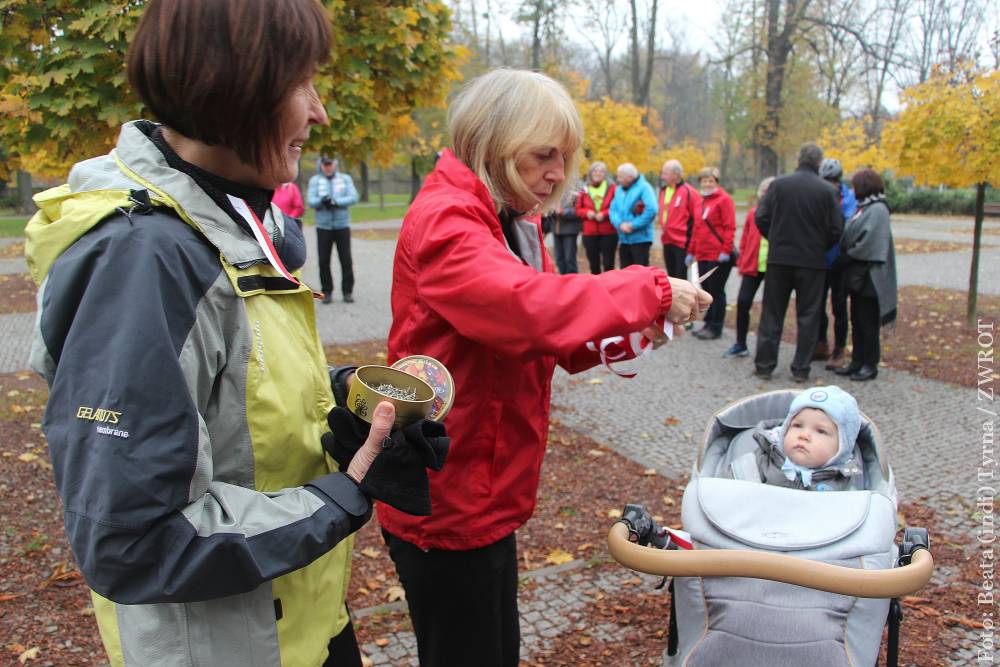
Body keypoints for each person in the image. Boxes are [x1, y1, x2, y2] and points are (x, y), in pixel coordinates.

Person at [22, 1, 434, 665]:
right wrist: (343, 495)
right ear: (237, 86)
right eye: (301, 83)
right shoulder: (147, 260)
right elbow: (133, 538)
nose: (320, 111)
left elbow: (231, 397)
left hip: (303, 625)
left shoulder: (232, 220)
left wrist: (356, 410)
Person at [382, 68, 712, 667]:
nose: (558, 174)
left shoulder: (507, 219)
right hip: (449, 495)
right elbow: (524, 310)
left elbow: (554, 337)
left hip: (479, 488)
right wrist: (650, 289)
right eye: (544, 156)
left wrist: (645, 330)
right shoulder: (448, 221)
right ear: (494, 142)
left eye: (563, 157)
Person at [753, 143, 844, 382]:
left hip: (779, 258)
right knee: (809, 315)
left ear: (798, 160)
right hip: (812, 261)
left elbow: (760, 217)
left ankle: (764, 364)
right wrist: (818, 246)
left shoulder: (779, 185)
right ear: (818, 163)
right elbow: (837, 228)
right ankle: (801, 368)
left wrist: (774, 239)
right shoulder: (827, 191)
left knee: (772, 313)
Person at [725, 386, 864, 492]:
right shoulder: (764, 460)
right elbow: (724, 489)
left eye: (820, 431)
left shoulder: (847, 480)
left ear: (843, 446)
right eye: (797, 425)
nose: (804, 435)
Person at [835, 168, 897, 382]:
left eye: (855, 185)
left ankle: (870, 364)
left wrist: (849, 253)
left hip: (871, 277)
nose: (852, 189)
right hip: (858, 275)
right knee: (857, 321)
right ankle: (857, 361)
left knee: (868, 323)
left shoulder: (878, 209)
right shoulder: (864, 208)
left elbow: (871, 243)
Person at [725, 177, 774, 358]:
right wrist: (743, 260)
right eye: (764, 192)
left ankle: (766, 348)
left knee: (770, 309)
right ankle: (740, 343)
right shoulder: (754, 213)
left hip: (773, 267)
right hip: (753, 266)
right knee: (743, 302)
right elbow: (745, 239)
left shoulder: (781, 214)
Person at [816, 158, 858, 369]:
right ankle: (820, 343)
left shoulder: (848, 198)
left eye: (833, 180)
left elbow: (849, 226)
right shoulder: (818, 194)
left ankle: (839, 349)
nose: (829, 184)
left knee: (839, 307)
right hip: (819, 260)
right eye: (826, 180)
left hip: (839, 262)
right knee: (817, 305)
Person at [687, 167, 736, 341]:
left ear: (716, 182)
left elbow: (730, 226)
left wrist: (726, 250)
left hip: (717, 254)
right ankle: (708, 322)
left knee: (716, 290)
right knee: (706, 289)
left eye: (711, 181)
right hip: (702, 253)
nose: (707, 184)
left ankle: (716, 326)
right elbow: (696, 229)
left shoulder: (724, 200)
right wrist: (691, 251)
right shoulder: (699, 202)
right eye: (704, 181)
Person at [308, 156, 358, 303]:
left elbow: (353, 197)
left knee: (346, 260)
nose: (328, 167)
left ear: (335, 164)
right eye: (325, 165)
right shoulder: (315, 180)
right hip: (323, 227)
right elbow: (310, 201)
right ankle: (326, 292)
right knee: (323, 261)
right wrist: (321, 201)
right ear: (321, 165)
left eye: (330, 164)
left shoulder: (345, 178)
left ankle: (347, 291)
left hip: (342, 226)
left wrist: (336, 202)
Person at [658, 159, 702, 278]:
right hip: (667, 241)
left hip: (682, 243)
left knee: (681, 278)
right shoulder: (664, 191)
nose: (662, 176)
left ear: (676, 175)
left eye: (665, 173)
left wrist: (693, 246)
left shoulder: (689, 192)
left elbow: (698, 221)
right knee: (671, 277)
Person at [609, 162, 658, 267]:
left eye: (620, 176)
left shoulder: (645, 188)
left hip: (640, 240)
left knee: (641, 274)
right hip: (624, 239)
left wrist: (633, 225)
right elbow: (613, 210)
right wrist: (620, 224)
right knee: (626, 275)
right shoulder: (618, 190)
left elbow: (652, 210)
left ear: (630, 177)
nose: (618, 179)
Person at [576, 161, 618, 273]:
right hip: (589, 233)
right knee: (594, 265)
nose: (598, 173)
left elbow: (617, 207)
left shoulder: (612, 187)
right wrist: (587, 213)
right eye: (595, 170)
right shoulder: (584, 188)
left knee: (609, 264)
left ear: (605, 174)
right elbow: (578, 209)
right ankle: (596, 289)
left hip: (609, 232)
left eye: (601, 171)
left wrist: (604, 214)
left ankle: (610, 288)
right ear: (590, 172)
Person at [546, 184, 583, 274]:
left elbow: (579, 210)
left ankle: (573, 281)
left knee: (569, 259)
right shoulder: (554, 188)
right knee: (559, 258)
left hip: (569, 229)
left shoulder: (576, 190)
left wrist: (563, 212)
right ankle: (563, 280)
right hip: (556, 229)